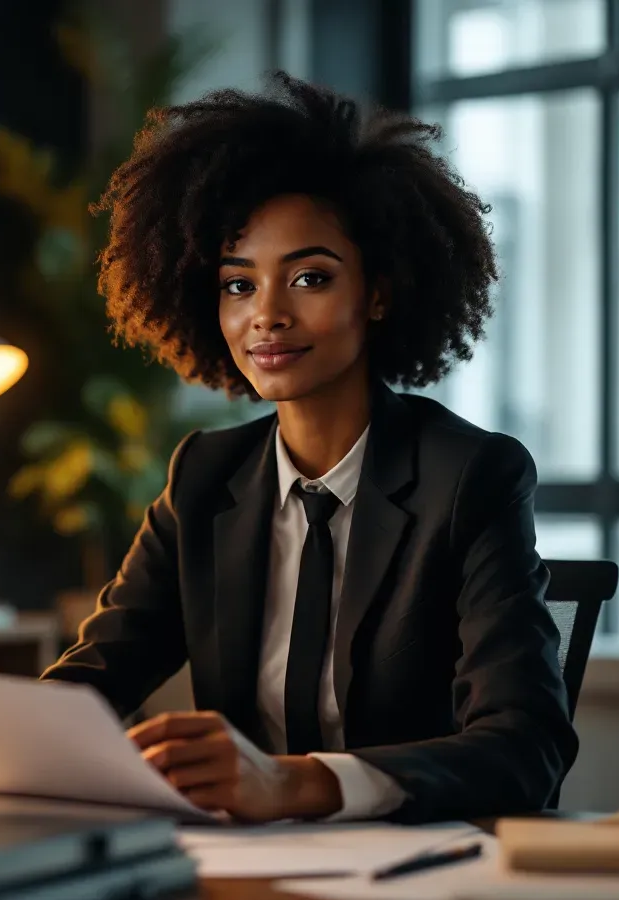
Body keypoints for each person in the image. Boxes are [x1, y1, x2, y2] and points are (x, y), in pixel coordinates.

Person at [40, 72, 577, 825]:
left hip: (412, 868)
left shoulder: (470, 478)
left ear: (379, 293)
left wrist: (294, 784)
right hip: (239, 868)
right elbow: (93, 681)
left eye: (309, 278)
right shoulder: (204, 476)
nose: (267, 315)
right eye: (238, 285)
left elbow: (527, 749)